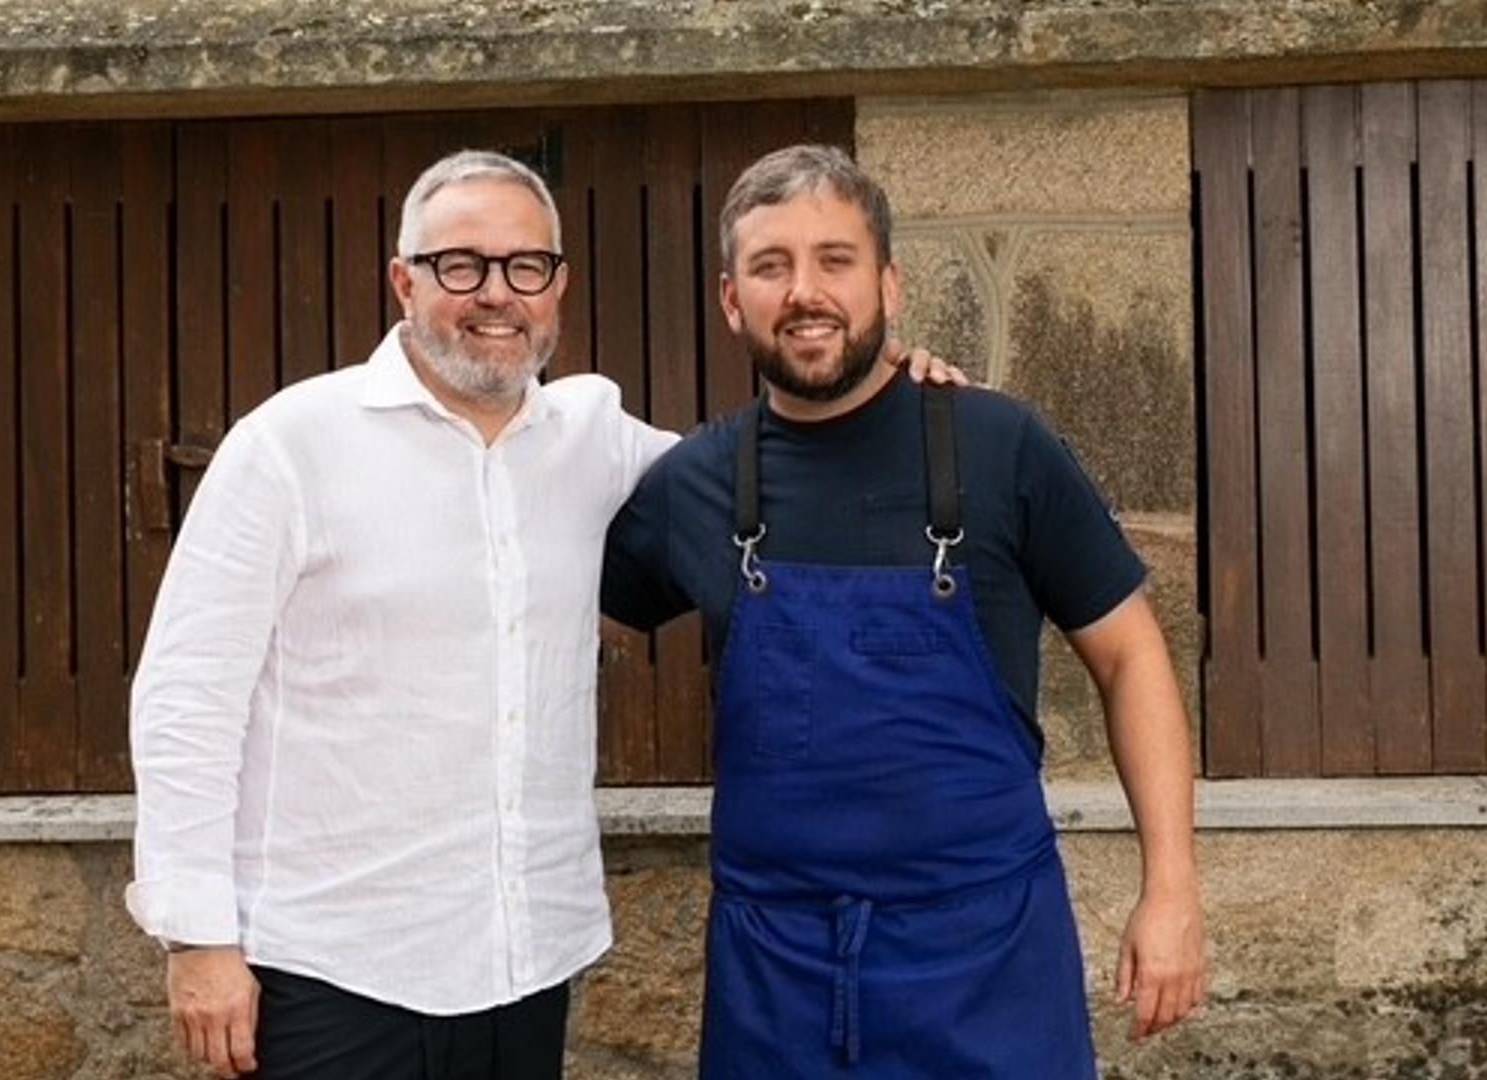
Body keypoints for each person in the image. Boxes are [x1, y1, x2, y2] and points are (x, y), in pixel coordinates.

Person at [126, 148, 958, 1080]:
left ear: (556, 288)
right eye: (461, 266)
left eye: (527, 267)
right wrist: (197, 938)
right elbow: (186, 697)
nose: (497, 294)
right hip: (331, 967)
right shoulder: (289, 447)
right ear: (404, 281)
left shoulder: (594, 443)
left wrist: (883, 386)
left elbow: (769, 479)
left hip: (521, 965)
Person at [601, 144, 1208, 1078]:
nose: (805, 291)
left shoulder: (999, 446)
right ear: (733, 300)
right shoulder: (696, 484)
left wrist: (1171, 889)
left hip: (988, 965)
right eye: (771, 266)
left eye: (835, 260)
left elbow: (1132, 657)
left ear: (891, 283)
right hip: (776, 979)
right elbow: (559, 619)